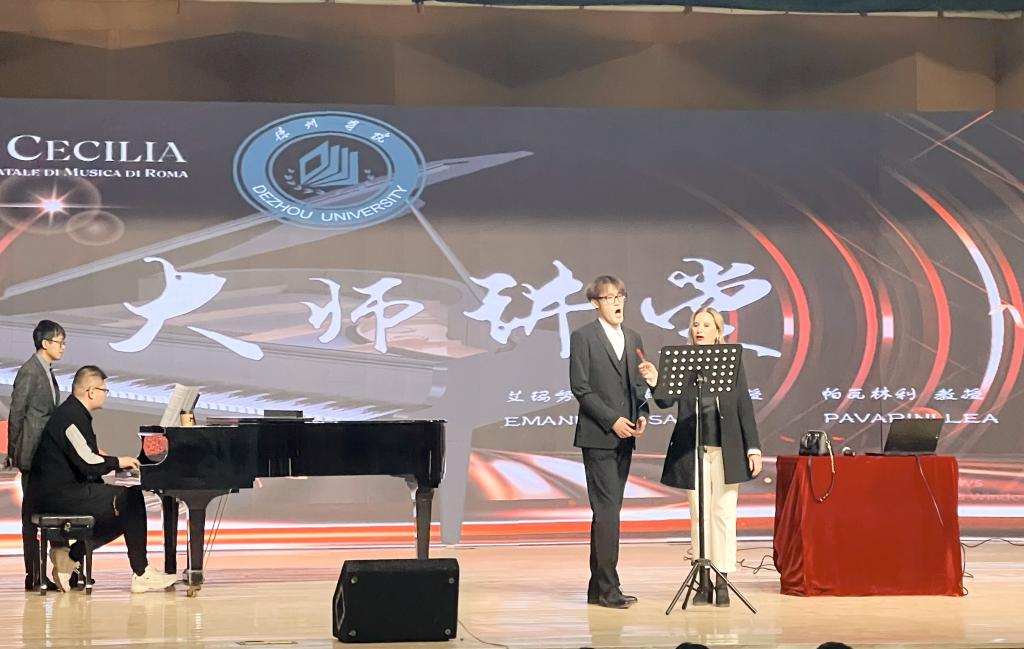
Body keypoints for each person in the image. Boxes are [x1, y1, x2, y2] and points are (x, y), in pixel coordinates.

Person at [642, 307, 762, 607]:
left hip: (727, 449)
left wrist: (753, 447)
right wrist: (655, 380)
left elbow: (743, 403)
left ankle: (722, 579)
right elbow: (666, 400)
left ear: (718, 331)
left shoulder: (731, 361)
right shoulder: (683, 362)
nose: (699, 329)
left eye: (706, 325)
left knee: (723, 513)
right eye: (696, 324)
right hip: (692, 449)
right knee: (699, 515)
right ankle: (703, 581)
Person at [27, 365, 177, 593]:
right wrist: (118, 462)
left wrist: (115, 469)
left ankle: (72, 556)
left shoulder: (76, 414)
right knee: (130, 499)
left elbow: (86, 461)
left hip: (66, 489)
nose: (106, 394)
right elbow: (87, 461)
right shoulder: (70, 417)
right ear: (90, 391)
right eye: (104, 390)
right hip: (58, 495)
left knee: (125, 509)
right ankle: (141, 573)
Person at [570, 275, 658, 609]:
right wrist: (612, 420)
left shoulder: (633, 337)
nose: (617, 302)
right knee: (607, 513)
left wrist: (642, 413)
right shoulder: (583, 337)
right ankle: (609, 588)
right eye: (609, 298)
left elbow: (638, 386)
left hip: (626, 437)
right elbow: (580, 388)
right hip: (598, 436)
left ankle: (599, 587)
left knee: (608, 512)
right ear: (595, 303)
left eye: (621, 295)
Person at [6, 320, 66, 591]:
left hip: (47, 455)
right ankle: (33, 574)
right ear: (45, 343)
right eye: (60, 342)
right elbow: (16, 414)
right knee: (30, 516)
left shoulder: (47, 371)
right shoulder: (30, 371)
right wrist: (14, 451)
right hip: (32, 454)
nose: (63, 347)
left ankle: (53, 572)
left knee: (48, 511)